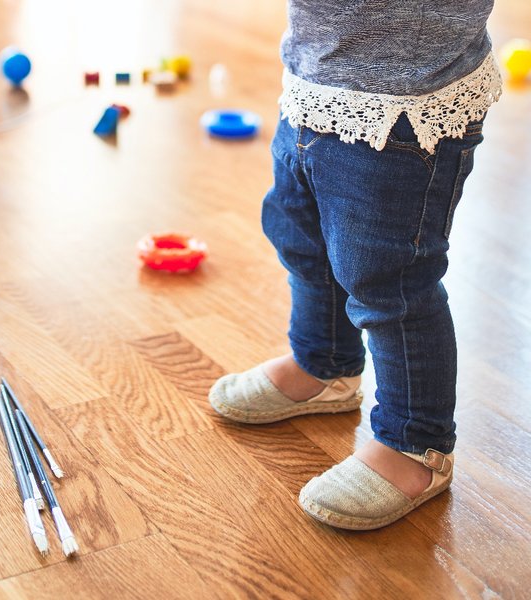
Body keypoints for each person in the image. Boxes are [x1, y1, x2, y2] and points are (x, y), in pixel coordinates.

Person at [209, 1, 502, 530]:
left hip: (405, 106)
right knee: (304, 237)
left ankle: (415, 443)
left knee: (389, 278)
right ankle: (325, 363)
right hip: (314, 83)